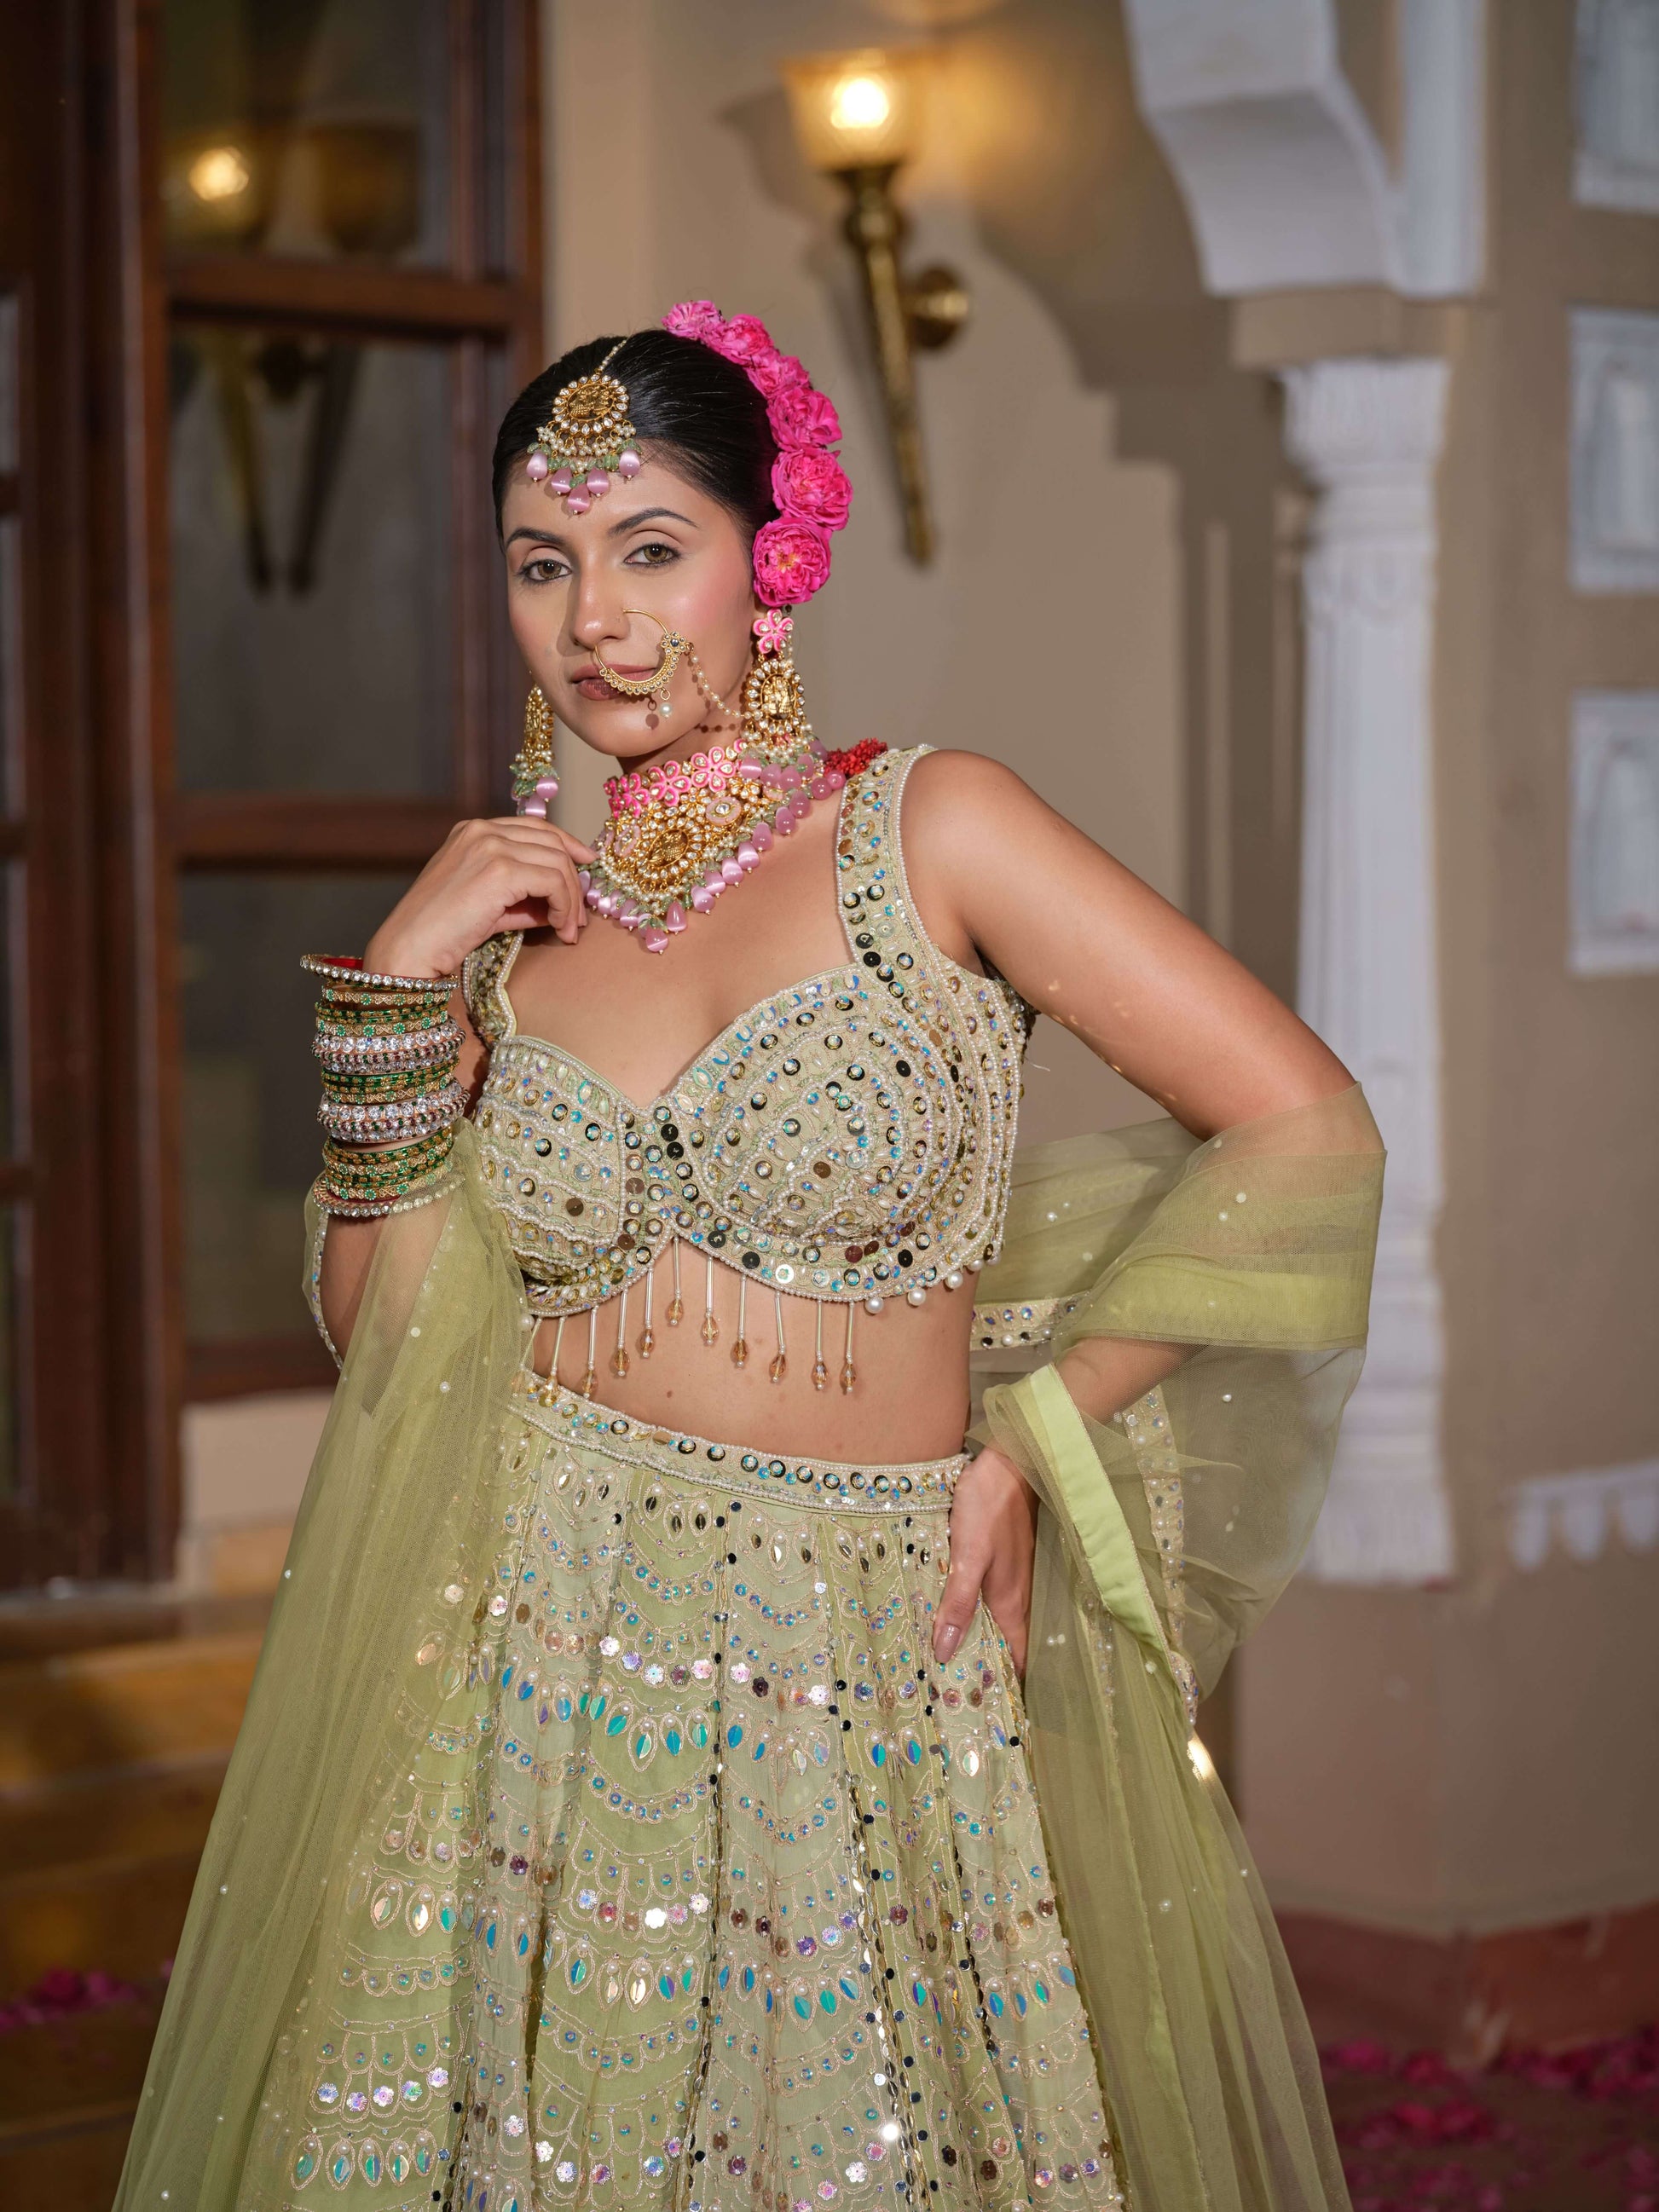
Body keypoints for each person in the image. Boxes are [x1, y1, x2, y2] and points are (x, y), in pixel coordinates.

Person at [116, 308, 1384, 2212]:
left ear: (768, 559)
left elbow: (1301, 1125)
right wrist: (393, 988)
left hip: (852, 1641)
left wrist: (1033, 1436)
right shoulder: (510, 931)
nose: (597, 622)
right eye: (542, 564)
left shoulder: (930, 828)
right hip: (529, 1626)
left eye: (651, 549)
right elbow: (390, 1345)